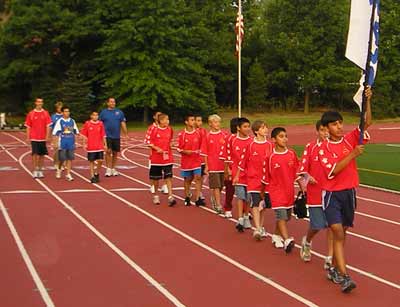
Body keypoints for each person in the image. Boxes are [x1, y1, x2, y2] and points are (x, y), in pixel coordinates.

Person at [318, 87, 372, 293]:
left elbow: (366, 122)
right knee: (337, 232)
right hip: (332, 195)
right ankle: (345, 276)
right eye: (334, 124)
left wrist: (367, 101)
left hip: (349, 193)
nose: (339, 127)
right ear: (326, 128)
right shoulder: (323, 148)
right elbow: (333, 170)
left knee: (343, 233)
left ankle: (334, 267)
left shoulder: (350, 139)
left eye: (340, 123)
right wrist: (353, 155)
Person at [297, 120, 334, 268]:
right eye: (323, 130)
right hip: (315, 193)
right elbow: (302, 169)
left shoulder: (334, 147)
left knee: (333, 225)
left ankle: (330, 257)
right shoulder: (310, 147)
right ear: (317, 131)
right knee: (317, 225)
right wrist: (307, 177)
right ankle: (307, 241)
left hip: (332, 192)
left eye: (327, 130)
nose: (326, 133)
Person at [262, 127, 301, 253]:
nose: (285, 139)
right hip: (276, 192)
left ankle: (275, 235)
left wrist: (303, 188)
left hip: (289, 191)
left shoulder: (291, 154)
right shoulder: (270, 157)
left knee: (286, 217)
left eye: (285, 136)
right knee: (282, 216)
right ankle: (287, 239)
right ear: (273, 139)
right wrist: (263, 195)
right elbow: (266, 177)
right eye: (281, 136)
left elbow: (297, 173)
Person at [235, 120, 273, 240]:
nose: (265, 130)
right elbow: (243, 162)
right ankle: (257, 229)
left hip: (267, 181)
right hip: (253, 180)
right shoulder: (250, 145)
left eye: (266, 127)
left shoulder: (270, 145)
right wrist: (237, 175)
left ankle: (260, 226)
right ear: (256, 131)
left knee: (263, 205)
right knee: (255, 204)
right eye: (262, 128)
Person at [227, 117, 252, 232]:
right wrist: (228, 169)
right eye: (245, 127)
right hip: (237, 174)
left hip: (250, 174)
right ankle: (240, 218)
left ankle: (246, 216)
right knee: (240, 196)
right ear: (238, 128)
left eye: (248, 127)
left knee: (248, 197)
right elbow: (229, 156)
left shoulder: (252, 141)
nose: (247, 129)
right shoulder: (233, 140)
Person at [147, 113, 176, 206]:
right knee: (156, 179)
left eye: (168, 119)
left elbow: (170, 140)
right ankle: (155, 195)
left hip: (167, 157)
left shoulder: (170, 129)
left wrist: (171, 145)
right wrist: (156, 148)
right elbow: (148, 142)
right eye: (166, 120)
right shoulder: (154, 130)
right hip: (156, 159)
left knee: (168, 177)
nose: (167, 121)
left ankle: (170, 196)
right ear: (161, 121)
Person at [177, 114, 205, 207]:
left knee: (198, 177)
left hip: (196, 160)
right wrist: (185, 151)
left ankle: (198, 199)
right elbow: (179, 148)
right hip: (186, 161)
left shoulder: (198, 133)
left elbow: (202, 146)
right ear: (186, 122)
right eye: (192, 120)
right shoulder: (182, 134)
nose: (194, 122)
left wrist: (199, 152)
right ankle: (187, 197)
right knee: (188, 179)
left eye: (194, 120)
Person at [202, 114, 227, 214]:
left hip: (223, 165)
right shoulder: (207, 136)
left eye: (218, 122)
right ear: (210, 124)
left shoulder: (224, 135)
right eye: (215, 122)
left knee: (221, 185)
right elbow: (205, 152)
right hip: (213, 165)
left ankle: (214, 197)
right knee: (216, 185)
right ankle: (218, 204)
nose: (217, 124)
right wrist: (207, 166)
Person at [99, 97, 128, 177]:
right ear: (107, 103)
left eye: (114, 102)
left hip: (116, 135)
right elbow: (100, 124)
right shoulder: (103, 112)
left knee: (115, 152)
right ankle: (108, 169)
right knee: (108, 151)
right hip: (107, 135)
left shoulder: (119, 112)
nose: (113, 103)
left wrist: (126, 134)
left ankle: (113, 168)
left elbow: (123, 123)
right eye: (111, 102)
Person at [24, 97, 52, 178]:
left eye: (41, 102)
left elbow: (48, 126)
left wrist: (47, 136)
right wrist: (27, 137)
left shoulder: (46, 113)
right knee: (35, 154)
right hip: (34, 137)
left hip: (42, 138)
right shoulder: (31, 113)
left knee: (42, 154)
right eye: (38, 102)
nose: (40, 103)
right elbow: (28, 126)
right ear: (35, 103)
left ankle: (40, 170)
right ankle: (35, 170)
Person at [219, 117, 239, 218]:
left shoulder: (248, 139)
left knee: (244, 191)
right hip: (231, 168)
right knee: (230, 190)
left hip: (242, 170)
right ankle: (228, 208)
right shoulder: (229, 139)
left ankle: (246, 211)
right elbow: (225, 155)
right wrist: (227, 169)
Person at [52, 106, 79, 181]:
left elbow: (75, 131)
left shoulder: (72, 121)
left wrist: (76, 142)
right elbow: (55, 133)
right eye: (65, 111)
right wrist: (56, 143)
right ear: (62, 113)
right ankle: (59, 169)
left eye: (68, 111)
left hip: (70, 142)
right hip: (62, 142)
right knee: (62, 159)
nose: (67, 113)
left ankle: (68, 173)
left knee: (70, 159)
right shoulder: (60, 121)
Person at [144, 111, 168, 194]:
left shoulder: (167, 128)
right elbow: (147, 141)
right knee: (154, 171)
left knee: (166, 170)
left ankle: (165, 185)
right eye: (158, 116)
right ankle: (153, 186)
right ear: (154, 117)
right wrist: (155, 148)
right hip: (154, 155)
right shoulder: (151, 128)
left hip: (165, 154)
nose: (160, 117)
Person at [80, 111, 107, 183]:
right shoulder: (87, 123)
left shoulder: (101, 124)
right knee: (91, 161)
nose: (95, 116)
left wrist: (105, 144)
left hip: (99, 146)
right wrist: (84, 144)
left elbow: (103, 135)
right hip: (91, 146)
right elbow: (84, 135)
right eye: (94, 115)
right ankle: (92, 176)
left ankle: (96, 173)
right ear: (91, 116)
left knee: (101, 160)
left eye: (97, 115)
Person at [194, 115, 207, 201]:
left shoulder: (203, 131)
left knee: (200, 176)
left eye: (201, 121)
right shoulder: (191, 132)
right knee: (190, 177)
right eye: (198, 120)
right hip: (192, 158)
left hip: (201, 157)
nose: (200, 123)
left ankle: (199, 192)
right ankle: (188, 192)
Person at [50, 101, 64, 170]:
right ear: (56, 108)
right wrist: (51, 136)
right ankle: (55, 163)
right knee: (56, 150)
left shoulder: (64, 115)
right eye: (58, 108)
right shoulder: (53, 116)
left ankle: (62, 164)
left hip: (64, 135)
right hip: (56, 135)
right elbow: (51, 126)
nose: (60, 109)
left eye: (61, 108)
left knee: (63, 150)